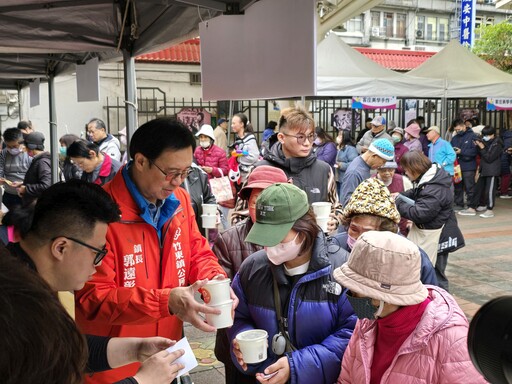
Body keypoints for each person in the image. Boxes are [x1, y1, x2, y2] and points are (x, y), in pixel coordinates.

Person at [75, 117, 235, 384]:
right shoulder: (100, 213)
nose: (178, 182)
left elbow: (197, 252)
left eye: (186, 173)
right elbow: (93, 297)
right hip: (113, 363)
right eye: (171, 173)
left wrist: (214, 279)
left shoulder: (180, 200)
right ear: (140, 161)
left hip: (166, 353)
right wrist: (167, 301)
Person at [4, 180, 185, 384]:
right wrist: (142, 381)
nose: (97, 265)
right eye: (97, 253)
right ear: (61, 248)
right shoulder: (16, 308)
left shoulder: (20, 273)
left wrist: (136, 348)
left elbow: (61, 348)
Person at [228, 183, 356, 384]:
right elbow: (239, 316)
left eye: (276, 237)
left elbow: (356, 332)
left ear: (303, 230)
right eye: (264, 235)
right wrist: (242, 340)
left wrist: (298, 366)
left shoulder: (346, 270)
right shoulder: (252, 268)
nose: (268, 245)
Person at [334, 231, 487, 384]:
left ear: (385, 296)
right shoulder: (368, 320)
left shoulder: (451, 339)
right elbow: (346, 378)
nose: (351, 297)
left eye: (355, 292)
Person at [212, 165, 289, 384]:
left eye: (272, 202)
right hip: (240, 348)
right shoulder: (228, 240)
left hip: (287, 349)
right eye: (257, 202)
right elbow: (221, 299)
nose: (264, 209)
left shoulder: (297, 241)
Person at [338, 177, 437, 285]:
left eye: (367, 232)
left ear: (385, 230)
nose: (360, 238)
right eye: (354, 229)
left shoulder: (412, 258)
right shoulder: (336, 247)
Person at [395, 151, 460, 289]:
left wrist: (398, 202)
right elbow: (417, 193)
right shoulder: (430, 178)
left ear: (414, 168)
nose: (406, 173)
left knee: (435, 274)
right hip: (431, 232)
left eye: (406, 170)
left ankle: (442, 305)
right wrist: (401, 195)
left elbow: (420, 213)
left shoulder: (435, 187)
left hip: (438, 236)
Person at [459, 125, 503, 218]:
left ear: (493, 135)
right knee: (477, 189)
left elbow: (489, 158)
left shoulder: (497, 143)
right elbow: (482, 154)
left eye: (487, 135)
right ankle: (472, 208)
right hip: (483, 169)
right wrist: (478, 146)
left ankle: (490, 210)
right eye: (484, 135)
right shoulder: (486, 142)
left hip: (492, 171)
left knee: (489, 191)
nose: (485, 137)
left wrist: (482, 147)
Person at [339, 138, 395, 207]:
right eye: (383, 161)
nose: (382, 165)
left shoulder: (364, 166)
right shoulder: (355, 173)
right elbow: (346, 203)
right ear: (374, 156)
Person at [375, 161, 413, 236]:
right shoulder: (371, 181)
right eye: (383, 170)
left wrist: (410, 221)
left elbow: (411, 201)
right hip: (379, 224)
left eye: (390, 170)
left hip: (401, 223)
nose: (387, 173)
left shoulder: (403, 180)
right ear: (378, 170)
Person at [15, 131, 51, 207]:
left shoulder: (42, 162)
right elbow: (38, 180)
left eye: (26, 146)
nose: (24, 149)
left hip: (38, 206)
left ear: (31, 147)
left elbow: (46, 186)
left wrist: (26, 189)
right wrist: (23, 183)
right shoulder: (38, 160)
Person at [450, 118, 478, 210]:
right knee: (458, 186)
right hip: (457, 166)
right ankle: (459, 204)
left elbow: (475, 151)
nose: (457, 131)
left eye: (459, 129)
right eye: (456, 130)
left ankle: (471, 205)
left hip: (469, 166)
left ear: (464, 126)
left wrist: (462, 151)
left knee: (470, 186)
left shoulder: (473, 136)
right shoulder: (454, 138)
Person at [0, 128, 31, 210]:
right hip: (9, 194)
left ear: (21, 142)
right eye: (8, 146)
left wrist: (23, 183)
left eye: (14, 146)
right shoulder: (4, 152)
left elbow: (34, 175)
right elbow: (1, 169)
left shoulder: (29, 153)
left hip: (25, 194)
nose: (11, 149)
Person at [229, 112, 260, 183]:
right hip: (239, 175)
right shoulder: (238, 139)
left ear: (242, 124)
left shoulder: (249, 139)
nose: (232, 125)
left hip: (248, 177)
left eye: (234, 123)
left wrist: (237, 158)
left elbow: (253, 157)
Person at [335, 130, 358, 198]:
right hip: (337, 178)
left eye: (340, 135)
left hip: (345, 178)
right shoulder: (337, 148)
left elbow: (354, 164)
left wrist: (341, 165)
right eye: (338, 135)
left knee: (343, 197)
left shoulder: (350, 149)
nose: (338, 137)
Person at [500, 127, 512, 199]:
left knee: (503, 176)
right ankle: (504, 193)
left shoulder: (504, 137)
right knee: (506, 176)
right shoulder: (510, 138)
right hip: (505, 159)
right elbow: (508, 150)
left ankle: (502, 190)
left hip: (501, 159)